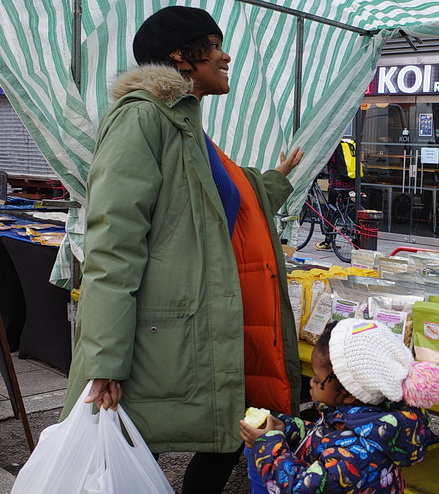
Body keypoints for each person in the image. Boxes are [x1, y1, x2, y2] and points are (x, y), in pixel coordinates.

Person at [60, 6, 304, 493]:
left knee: (224, 436)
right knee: (127, 449)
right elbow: (112, 243)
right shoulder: (141, 120)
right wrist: (105, 360)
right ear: (182, 56)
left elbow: (225, 200)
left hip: (198, 330)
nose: (227, 54)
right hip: (159, 337)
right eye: (215, 45)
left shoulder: (188, 128)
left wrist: (275, 181)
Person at [240, 318, 439, 492]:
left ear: (348, 393)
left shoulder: (357, 451)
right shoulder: (362, 418)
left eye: (316, 377)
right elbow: (322, 438)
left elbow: (301, 488)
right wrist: (287, 428)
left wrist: (269, 446)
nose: (310, 382)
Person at [315, 141, 356, 251]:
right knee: (349, 210)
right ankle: (358, 235)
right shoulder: (348, 146)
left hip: (337, 184)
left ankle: (328, 240)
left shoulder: (333, 147)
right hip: (351, 183)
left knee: (332, 210)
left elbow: (325, 162)